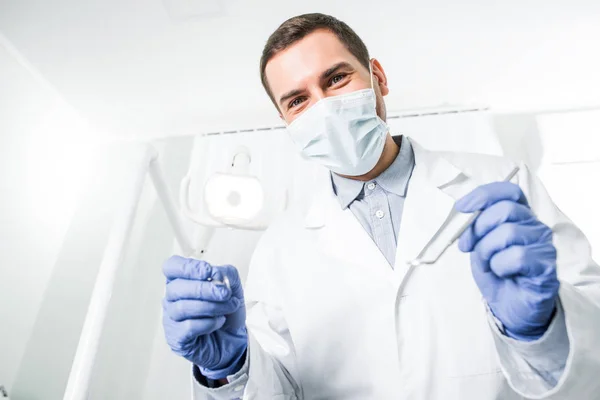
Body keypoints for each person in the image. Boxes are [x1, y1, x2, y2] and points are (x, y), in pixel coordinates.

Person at [161, 13, 600, 400]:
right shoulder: (279, 249)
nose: (325, 108)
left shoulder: (503, 183)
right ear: (286, 122)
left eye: (336, 79)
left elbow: (592, 349)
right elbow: (281, 391)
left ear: (378, 78)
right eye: (298, 100)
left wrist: (539, 331)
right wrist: (231, 369)